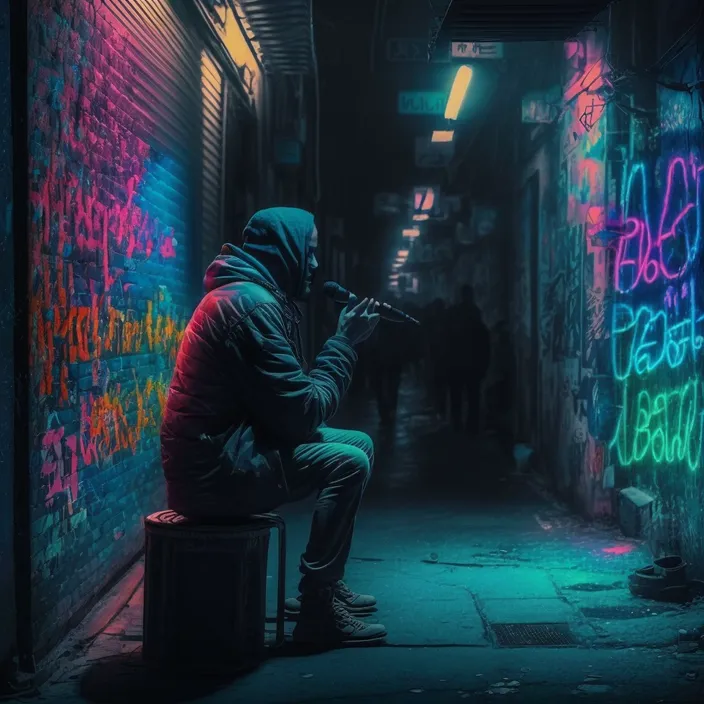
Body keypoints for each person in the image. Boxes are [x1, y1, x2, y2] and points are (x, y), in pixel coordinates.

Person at [160, 207, 387, 648]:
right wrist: (343, 343)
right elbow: (303, 414)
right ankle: (318, 606)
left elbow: (286, 409)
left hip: (221, 455)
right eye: (311, 251)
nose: (317, 265)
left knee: (360, 442)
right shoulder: (251, 307)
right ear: (285, 249)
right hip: (213, 474)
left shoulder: (250, 296)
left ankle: (326, 584)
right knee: (350, 462)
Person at [446, 285, 490, 434]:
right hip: (472, 365)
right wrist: (484, 365)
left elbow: (448, 342)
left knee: (456, 399)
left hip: (457, 365)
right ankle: (472, 428)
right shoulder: (475, 315)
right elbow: (484, 343)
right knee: (473, 399)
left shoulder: (454, 314)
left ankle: (457, 426)